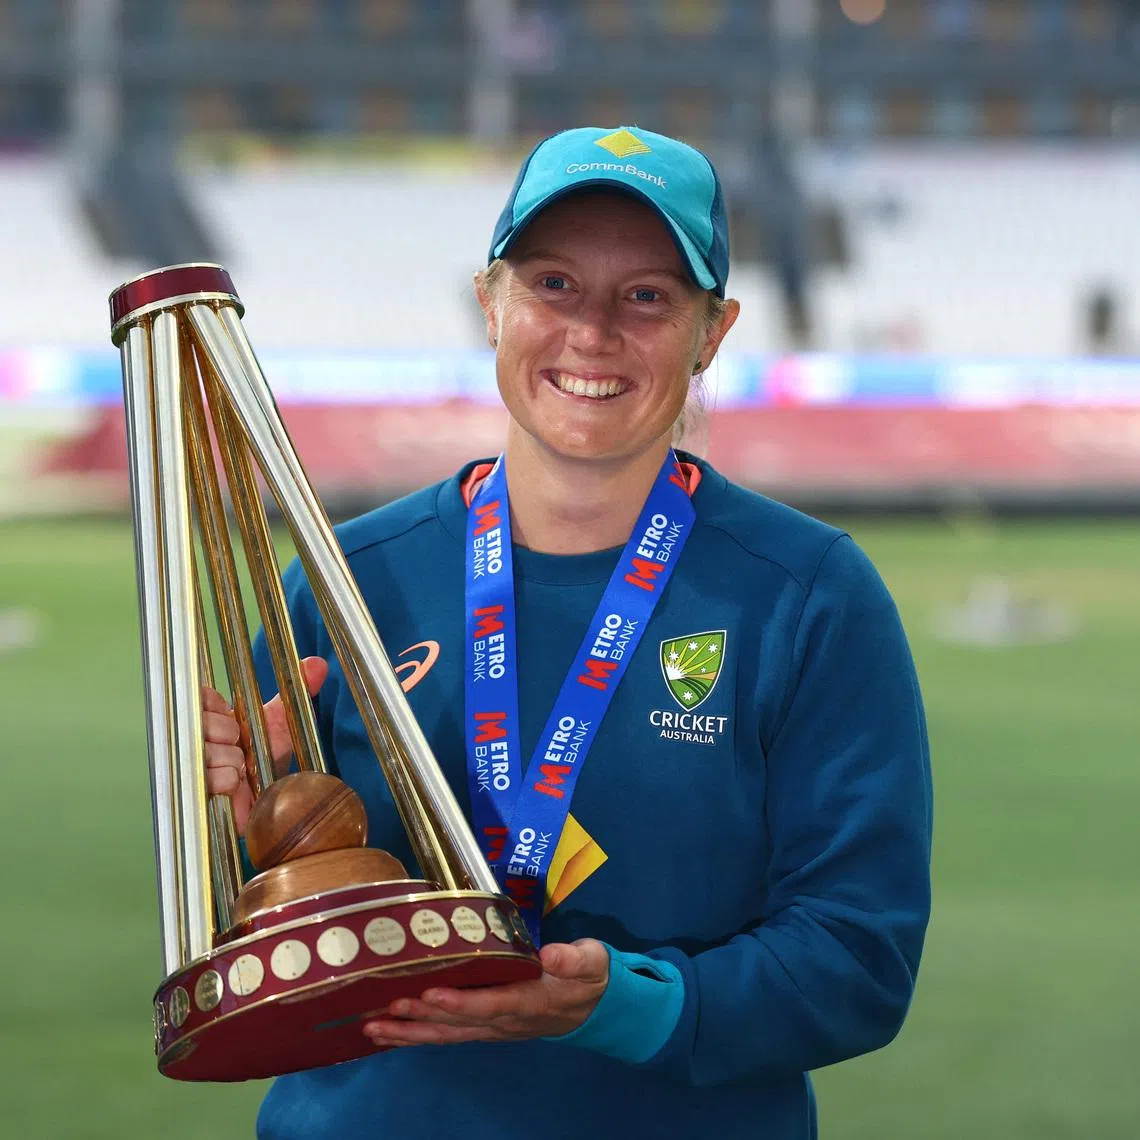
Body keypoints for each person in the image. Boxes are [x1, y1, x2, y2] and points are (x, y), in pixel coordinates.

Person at [203, 125, 932, 1140]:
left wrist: (623, 1006)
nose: (593, 332)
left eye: (646, 296)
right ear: (489, 303)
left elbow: (860, 957)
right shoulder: (346, 582)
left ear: (711, 332)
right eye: (552, 284)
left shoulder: (810, 595)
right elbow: (245, 952)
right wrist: (245, 845)